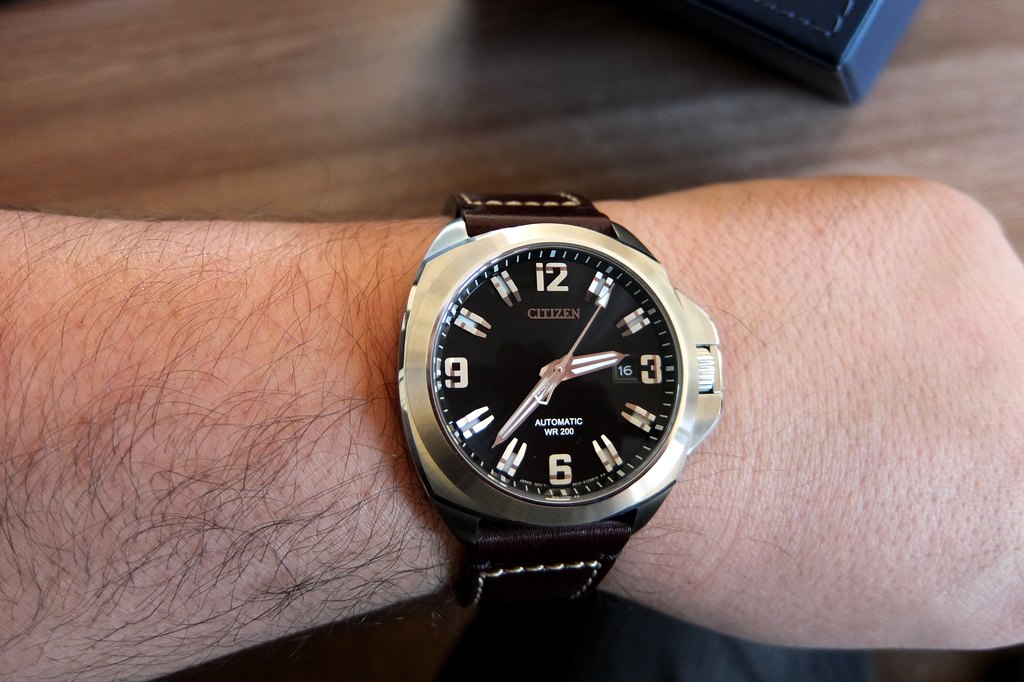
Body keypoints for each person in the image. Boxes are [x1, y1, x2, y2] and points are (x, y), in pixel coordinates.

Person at [0, 177, 1021, 681]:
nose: (558, 370)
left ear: (696, 372)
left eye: (569, 365)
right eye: (557, 368)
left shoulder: (665, 398)